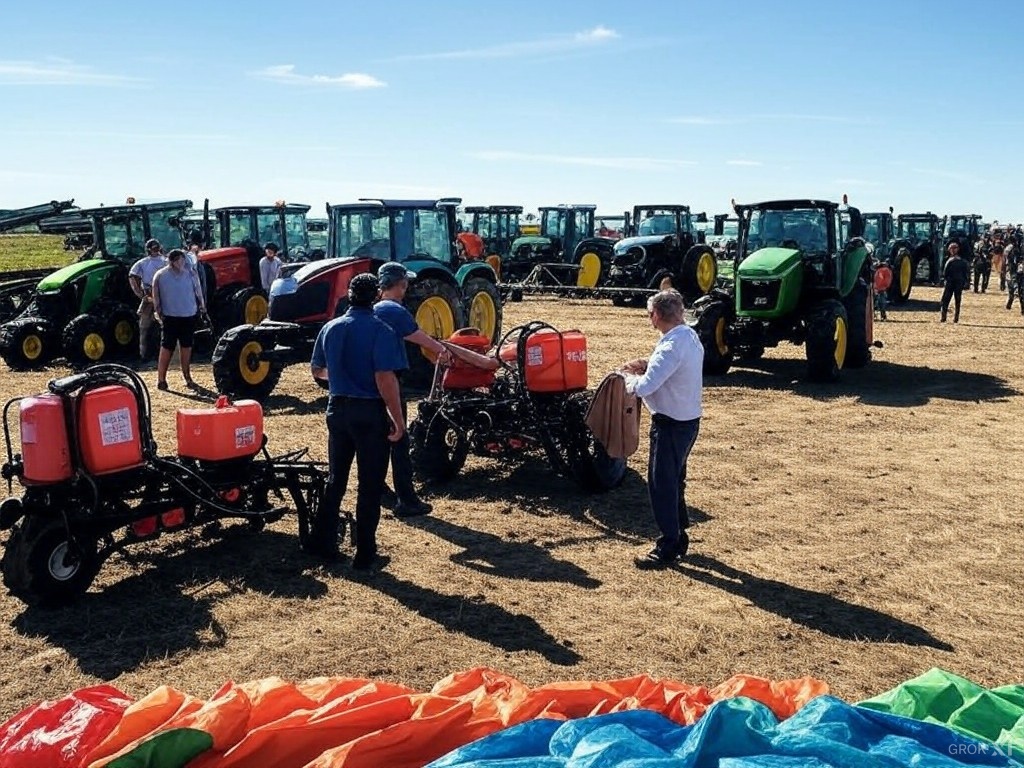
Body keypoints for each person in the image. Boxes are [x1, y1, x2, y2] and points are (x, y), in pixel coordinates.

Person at [309, 272, 406, 570]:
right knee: (370, 484)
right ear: (377, 295)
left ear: (349, 295)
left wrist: (339, 379)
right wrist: (397, 419)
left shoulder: (331, 327)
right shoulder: (381, 330)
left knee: (336, 479)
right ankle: (365, 552)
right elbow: (384, 378)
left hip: (337, 411)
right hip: (369, 413)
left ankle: (323, 543)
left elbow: (317, 371)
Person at [620, 289, 703, 569]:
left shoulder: (670, 347)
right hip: (689, 421)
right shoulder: (688, 337)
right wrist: (645, 363)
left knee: (662, 484)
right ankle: (679, 535)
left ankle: (667, 544)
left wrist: (627, 379)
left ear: (655, 315)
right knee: (675, 479)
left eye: (649, 314)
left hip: (670, 425)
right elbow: (667, 366)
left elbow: (646, 387)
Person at [372, 262, 454, 517]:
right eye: (405, 283)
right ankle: (407, 499)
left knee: (379, 440)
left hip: (369, 385)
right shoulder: (394, 310)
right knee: (399, 438)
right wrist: (443, 349)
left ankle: (379, 490)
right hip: (390, 381)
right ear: (401, 284)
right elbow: (418, 336)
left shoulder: (373, 308)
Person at [151, 249, 207, 391]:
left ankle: (187, 376)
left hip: (188, 315)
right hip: (170, 316)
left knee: (186, 346)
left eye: (181, 259)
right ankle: (161, 379)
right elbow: (156, 297)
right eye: (176, 260)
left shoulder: (191, 273)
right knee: (167, 347)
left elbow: (198, 291)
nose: (180, 262)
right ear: (170, 261)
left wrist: (202, 307)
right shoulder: (160, 275)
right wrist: (159, 313)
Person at [128, 238, 167, 360]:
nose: (155, 250)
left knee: (167, 324)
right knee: (144, 326)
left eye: (156, 247)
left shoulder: (165, 261)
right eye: (153, 248)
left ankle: (166, 354)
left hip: (163, 295)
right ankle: (144, 354)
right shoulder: (143, 263)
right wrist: (140, 294)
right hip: (150, 296)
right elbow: (132, 276)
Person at [939, 242, 970, 323]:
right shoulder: (955, 260)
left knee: (954, 300)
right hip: (953, 282)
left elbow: (945, 272)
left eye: (954, 248)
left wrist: (966, 281)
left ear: (958, 249)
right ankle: (944, 317)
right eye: (951, 248)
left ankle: (954, 318)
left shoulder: (956, 261)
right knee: (948, 300)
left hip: (955, 282)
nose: (952, 250)